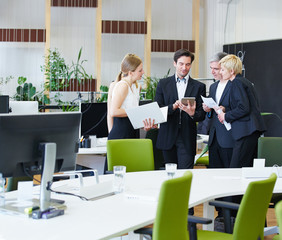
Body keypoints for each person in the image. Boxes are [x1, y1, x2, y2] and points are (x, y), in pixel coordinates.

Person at [155, 49, 206, 170]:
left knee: (185, 174)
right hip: (167, 137)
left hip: (187, 138)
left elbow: (202, 115)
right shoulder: (163, 84)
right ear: (175, 63)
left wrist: (193, 113)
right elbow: (157, 109)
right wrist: (172, 107)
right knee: (169, 175)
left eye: (188, 64)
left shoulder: (199, 87)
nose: (184, 67)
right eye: (181, 64)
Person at [105, 53, 156, 172]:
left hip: (131, 132)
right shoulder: (122, 86)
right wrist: (138, 112)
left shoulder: (135, 86)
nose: (143, 72)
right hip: (121, 134)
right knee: (118, 173)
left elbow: (130, 114)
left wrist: (144, 123)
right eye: (140, 70)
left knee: (132, 171)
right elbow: (113, 111)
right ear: (130, 72)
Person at [218, 54, 266, 168]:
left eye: (223, 69)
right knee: (246, 167)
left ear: (232, 71)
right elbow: (245, 104)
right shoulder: (244, 82)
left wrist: (226, 116)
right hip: (251, 130)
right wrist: (226, 109)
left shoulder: (237, 83)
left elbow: (243, 108)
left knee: (236, 168)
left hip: (246, 131)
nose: (220, 72)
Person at [203, 52, 234, 168]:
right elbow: (212, 113)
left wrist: (225, 109)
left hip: (229, 137)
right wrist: (208, 110)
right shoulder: (213, 87)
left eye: (216, 68)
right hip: (214, 138)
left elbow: (241, 108)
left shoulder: (235, 85)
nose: (212, 72)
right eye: (211, 68)